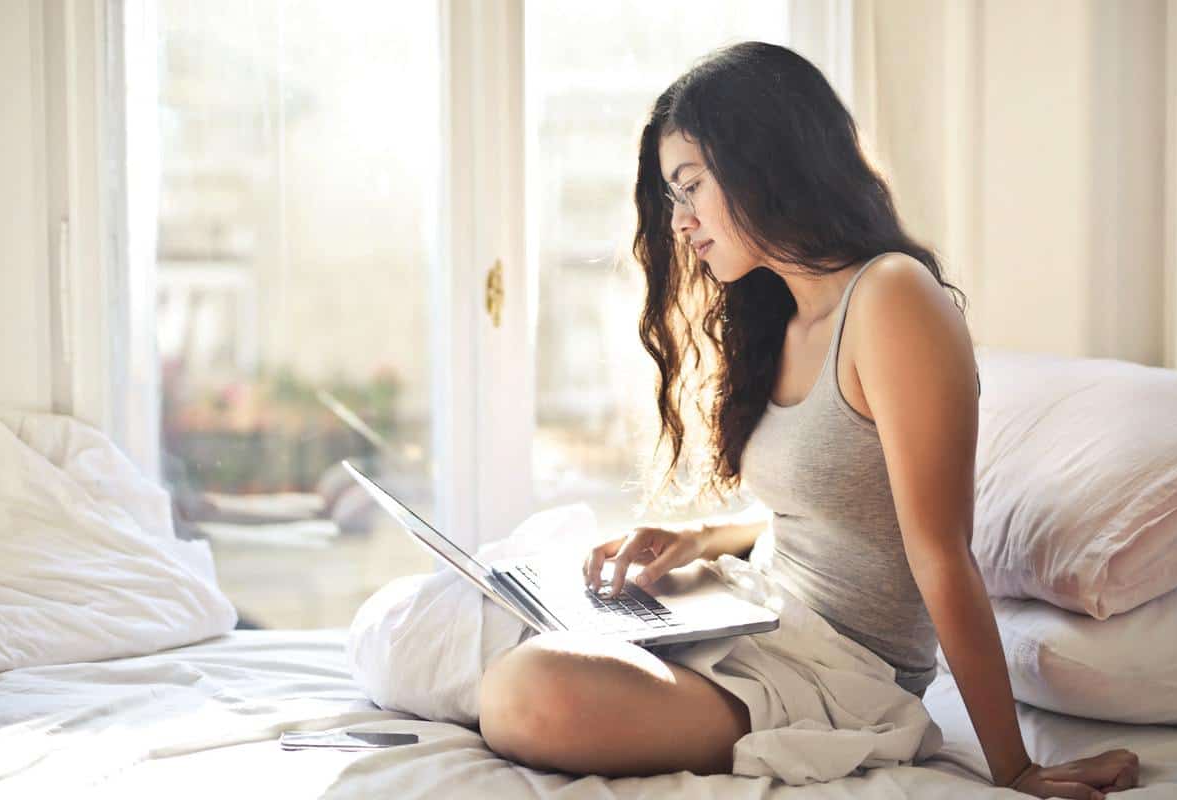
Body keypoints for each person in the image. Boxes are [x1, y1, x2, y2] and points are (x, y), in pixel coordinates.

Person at [476, 42, 1139, 798]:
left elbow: (940, 554)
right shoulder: (782, 318)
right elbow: (829, 518)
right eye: (672, 197)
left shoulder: (892, 298)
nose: (683, 222)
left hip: (843, 675)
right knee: (473, 610)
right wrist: (696, 539)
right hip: (759, 619)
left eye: (691, 187)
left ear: (764, 160)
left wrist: (1015, 768)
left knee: (527, 690)